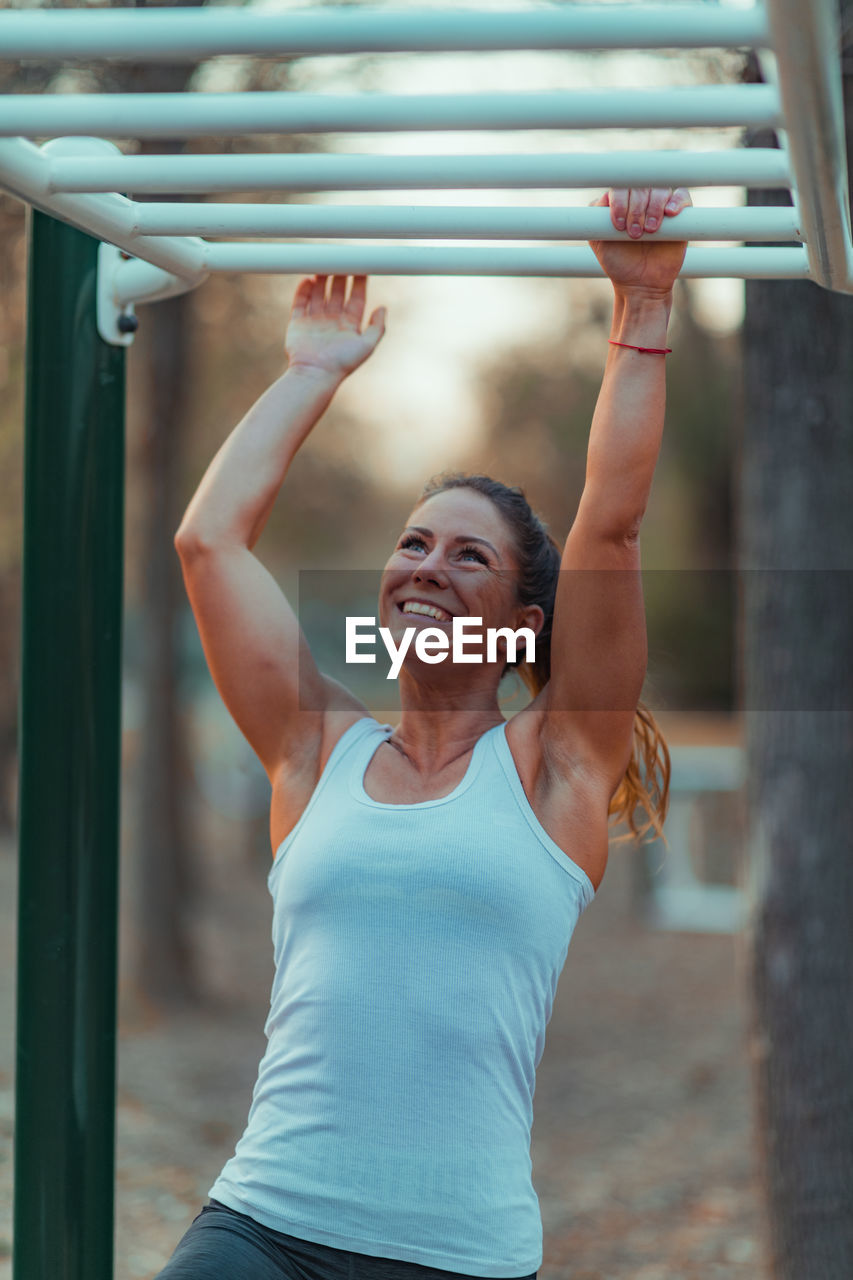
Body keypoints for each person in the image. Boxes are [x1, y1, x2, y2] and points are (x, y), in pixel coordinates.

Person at [160, 184, 690, 1280]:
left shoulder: (557, 768)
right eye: (413, 543)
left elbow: (612, 519)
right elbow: (209, 542)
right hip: (260, 1223)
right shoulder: (314, 750)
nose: (424, 568)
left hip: (454, 1253)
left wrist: (642, 308)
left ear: (521, 625)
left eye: (467, 556)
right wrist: (310, 374)